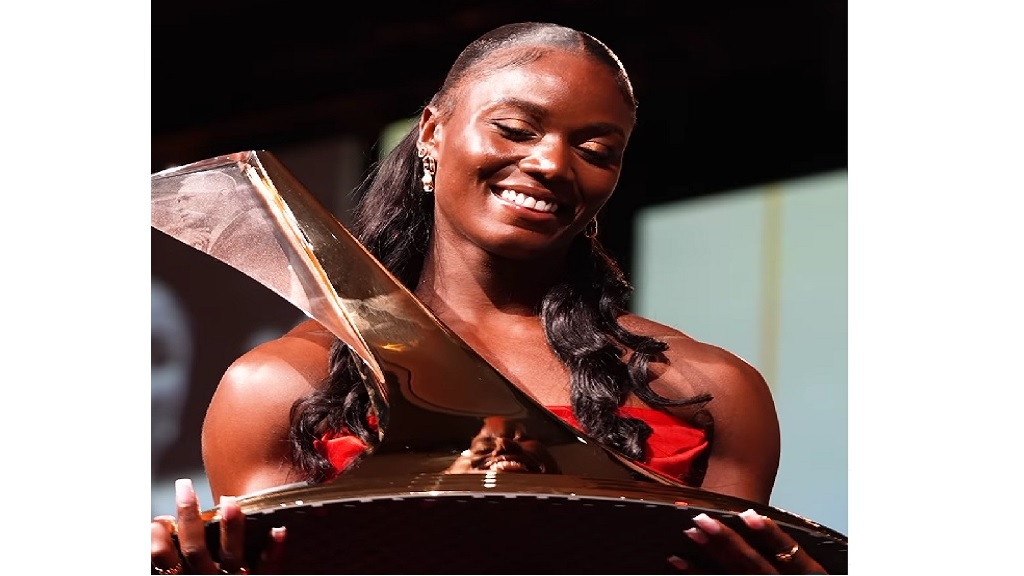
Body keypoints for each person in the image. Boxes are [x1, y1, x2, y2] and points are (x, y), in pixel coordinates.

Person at [150, 21, 831, 575]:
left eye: (596, 148)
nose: (553, 164)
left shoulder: (712, 391)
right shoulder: (278, 387)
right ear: (433, 131)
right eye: (517, 129)